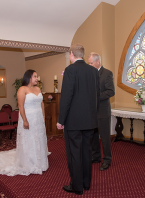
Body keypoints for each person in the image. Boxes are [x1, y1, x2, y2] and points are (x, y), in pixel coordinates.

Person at [0, 69, 49, 176]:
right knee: (30, 139)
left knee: (39, 137)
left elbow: (41, 103)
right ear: (29, 77)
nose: (37, 78)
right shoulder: (22, 89)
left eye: (36, 76)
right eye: (35, 76)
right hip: (28, 117)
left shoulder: (38, 88)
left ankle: (40, 160)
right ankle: (30, 162)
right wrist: (25, 120)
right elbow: (20, 106)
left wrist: (43, 116)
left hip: (38, 118)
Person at [57, 44, 100, 195]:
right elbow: (97, 96)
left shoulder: (70, 70)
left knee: (75, 153)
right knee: (87, 153)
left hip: (73, 122)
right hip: (89, 121)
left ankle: (77, 186)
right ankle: (86, 183)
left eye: (69, 55)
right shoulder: (93, 71)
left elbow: (66, 97)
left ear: (72, 54)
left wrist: (61, 120)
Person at [88, 52, 115, 171]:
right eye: (88, 63)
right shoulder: (90, 74)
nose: (89, 65)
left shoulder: (107, 73)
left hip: (103, 111)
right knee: (93, 137)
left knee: (104, 137)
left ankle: (107, 159)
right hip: (92, 112)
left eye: (91, 63)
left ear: (97, 62)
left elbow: (110, 91)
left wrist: (96, 96)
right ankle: (96, 156)